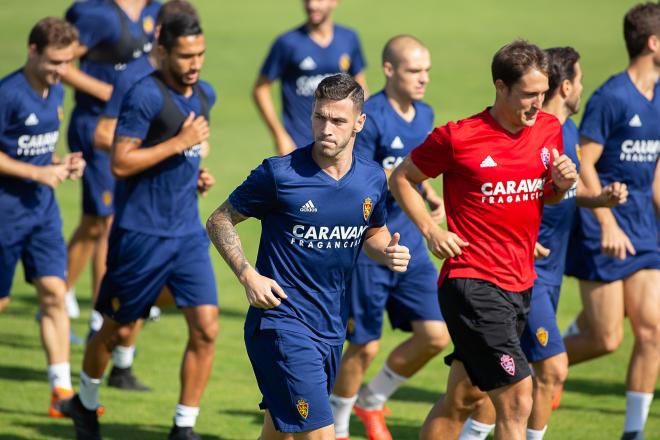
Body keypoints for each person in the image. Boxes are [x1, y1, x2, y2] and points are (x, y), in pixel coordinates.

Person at [389, 40, 578, 440]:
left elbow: (545, 194)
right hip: (472, 283)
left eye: (542, 94)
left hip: (521, 282)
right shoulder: (459, 138)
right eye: (528, 95)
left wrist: (560, 187)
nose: (537, 104)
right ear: (500, 87)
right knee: (517, 397)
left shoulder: (548, 129)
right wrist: (431, 229)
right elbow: (402, 178)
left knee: (462, 398)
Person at [207, 73, 410, 440]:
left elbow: (372, 231)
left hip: (331, 327)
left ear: (359, 123)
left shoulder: (371, 178)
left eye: (338, 120)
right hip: (281, 324)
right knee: (318, 434)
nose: (325, 129)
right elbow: (220, 219)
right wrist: (247, 275)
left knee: (278, 434)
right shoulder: (279, 174)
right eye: (319, 117)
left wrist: (388, 252)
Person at [459, 46, 629, 440]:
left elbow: (555, 193)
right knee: (550, 370)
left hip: (549, 278)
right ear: (566, 86)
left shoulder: (564, 132)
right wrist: (515, 237)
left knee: (497, 379)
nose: (583, 87)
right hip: (521, 275)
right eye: (580, 80)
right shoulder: (533, 135)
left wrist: (597, 200)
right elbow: (507, 194)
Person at [67, 13, 218, 440]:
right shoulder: (143, 95)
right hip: (141, 234)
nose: (195, 64)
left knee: (207, 328)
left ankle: (183, 428)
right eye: (186, 55)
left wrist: (195, 171)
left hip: (187, 233)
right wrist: (179, 145)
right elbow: (120, 161)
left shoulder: (205, 94)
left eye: (201, 54)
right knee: (115, 330)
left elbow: (185, 154)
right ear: (163, 51)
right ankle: (85, 402)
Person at [329, 35, 450, 440]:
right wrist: (407, 182)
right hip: (371, 246)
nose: (423, 79)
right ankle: (339, 427)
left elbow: (415, 168)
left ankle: (372, 399)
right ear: (389, 70)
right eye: (414, 70)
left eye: (427, 70)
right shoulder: (372, 116)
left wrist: (428, 191)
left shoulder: (425, 112)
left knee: (436, 335)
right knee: (364, 346)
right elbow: (362, 172)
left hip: (412, 243)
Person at [88, 0, 200, 393]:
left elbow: (189, 137)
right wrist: (171, 148)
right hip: (139, 204)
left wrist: (190, 167)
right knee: (99, 238)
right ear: (161, 37)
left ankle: (123, 364)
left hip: (178, 211)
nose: (192, 56)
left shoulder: (191, 82)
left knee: (199, 314)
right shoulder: (135, 79)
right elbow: (104, 135)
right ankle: (103, 371)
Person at [562, 4, 660, 439]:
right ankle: (537, 363)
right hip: (605, 225)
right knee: (606, 339)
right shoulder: (611, 98)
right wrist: (606, 222)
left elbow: (656, 169)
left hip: (644, 227)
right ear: (653, 43)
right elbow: (584, 162)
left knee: (652, 331)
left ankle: (633, 433)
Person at [0, 17, 84, 417]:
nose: (60, 71)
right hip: (5, 215)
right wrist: (38, 172)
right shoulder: (9, 94)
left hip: (42, 213)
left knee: (54, 291)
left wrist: (60, 163)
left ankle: (60, 391)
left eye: (66, 63)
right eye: (54, 62)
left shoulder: (55, 90)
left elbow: (31, 149)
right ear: (32, 51)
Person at [62, 0, 160, 335]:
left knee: (93, 221)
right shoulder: (97, 15)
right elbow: (62, 65)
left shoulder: (154, 12)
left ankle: (58, 291)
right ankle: (99, 314)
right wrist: (115, 93)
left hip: (132, 127)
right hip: (96, 126)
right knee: (107, 220)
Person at [253, 0, 367, 155]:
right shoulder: (287, 43)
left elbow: (361, 88)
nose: (312, 5)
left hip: (338, 142)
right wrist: (280, 135)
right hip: (298, 143)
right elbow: (261, 90)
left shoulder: (349, 38)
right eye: (307, 0)